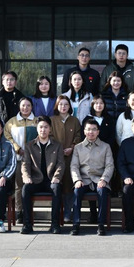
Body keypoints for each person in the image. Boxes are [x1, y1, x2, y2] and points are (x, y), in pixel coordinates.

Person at [20, 116, 64, 235]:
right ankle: (27, 224)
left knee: (56, 188)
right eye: (40, 127)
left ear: (50, 129)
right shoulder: (29, 145)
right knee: (25, 189)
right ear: (37, 128)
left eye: (45, 127)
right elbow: (25, 164)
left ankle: (55, 224)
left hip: (51, 180)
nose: (43, 130)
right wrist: (26, 177)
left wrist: (57, 177)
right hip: (35, 180)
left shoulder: (57, 145)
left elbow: (61, 164)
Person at [70, 118, 114, 236]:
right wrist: (77, 180)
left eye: (94, 129)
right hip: (83, 179)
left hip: (99, 179)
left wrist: (104, 179)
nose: (91, 132)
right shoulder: (78, 147)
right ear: (84, 131)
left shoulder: (105, 147)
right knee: (77, 191)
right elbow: (74, 166)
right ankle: (76, 224)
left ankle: (101, 224)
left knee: (102, 191)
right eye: (88, 129)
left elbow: (109, 165)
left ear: (98, 132)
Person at [82, 95, 117, 222]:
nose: (99, 105)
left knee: (103, 184)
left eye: (101, 103)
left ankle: (104, 215)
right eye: (96, 103)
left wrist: (104, 147)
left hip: (105, 152)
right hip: (90, 153)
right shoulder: (87, 119)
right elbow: (84, 135)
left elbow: (113, 135)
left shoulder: (109, 118)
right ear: (92, 105)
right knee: (90, 180)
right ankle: (93, 214)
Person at [3, 97, 37, 224]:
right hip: (18, 158)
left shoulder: (37, 121)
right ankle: (19, 212)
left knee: (31, 185)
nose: (25, 108)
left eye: (28, 105)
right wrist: (17, 148)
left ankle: (29, 211)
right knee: (19, 186)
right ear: (19, 106)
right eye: (23, 105)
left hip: (34, 159)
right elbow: (7, 136)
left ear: (32, 107)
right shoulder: (12, 122)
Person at [50, 95, 82, 223]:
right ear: (57, 106)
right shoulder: (52, 120)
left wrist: (72, 147)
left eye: (66, 104)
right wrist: (58, 149)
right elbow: (49, 136)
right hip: (55, 157)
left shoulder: (74, 120)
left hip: (71, 156)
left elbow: (78, 136)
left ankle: (68, 212)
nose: (63, 107)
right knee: (57, 183)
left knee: (69, 184)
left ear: (70, 106)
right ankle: (57, 214)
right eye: (60, 104)